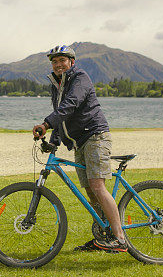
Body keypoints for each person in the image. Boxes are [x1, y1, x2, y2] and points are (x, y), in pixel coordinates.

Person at [32, 44, 128, 252]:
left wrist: (46, 124)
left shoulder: (80, 78)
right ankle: (106, 236)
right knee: (90, 192)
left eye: (62, 61)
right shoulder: (56, 85)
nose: (58, 65)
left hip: (95, 136)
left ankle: (120, 239)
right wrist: (54, 141)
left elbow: (72, 104)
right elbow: (62, 116)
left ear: (71, 62)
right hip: (79, 142)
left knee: (97, 186)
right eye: (55, 62)